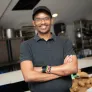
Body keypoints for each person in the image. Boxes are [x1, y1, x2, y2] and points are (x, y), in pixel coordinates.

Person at [20, 6, 78, 92]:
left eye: (46, 18)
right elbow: (28, 76)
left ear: (51, 20)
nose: (42, 22)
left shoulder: (65, 42)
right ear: (34, 23)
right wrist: (63, 72)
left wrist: (43, 69)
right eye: (38, 19)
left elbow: (73, 68)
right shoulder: (26, 45)